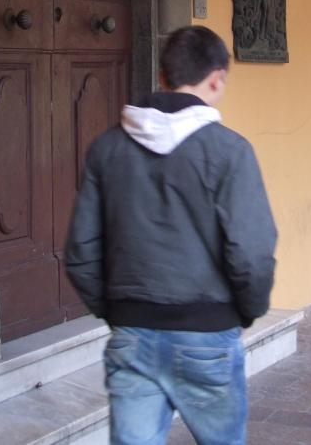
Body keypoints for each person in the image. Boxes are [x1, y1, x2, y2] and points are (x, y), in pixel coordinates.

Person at [65, 25, 277, 445]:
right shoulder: (230, 151)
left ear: (163, 76)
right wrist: (246, 312)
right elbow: (251, 254)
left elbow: (80, 251)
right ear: (216, 79)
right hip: (209, 334)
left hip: (132, 334)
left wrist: (117, 311)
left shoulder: (107, 148)